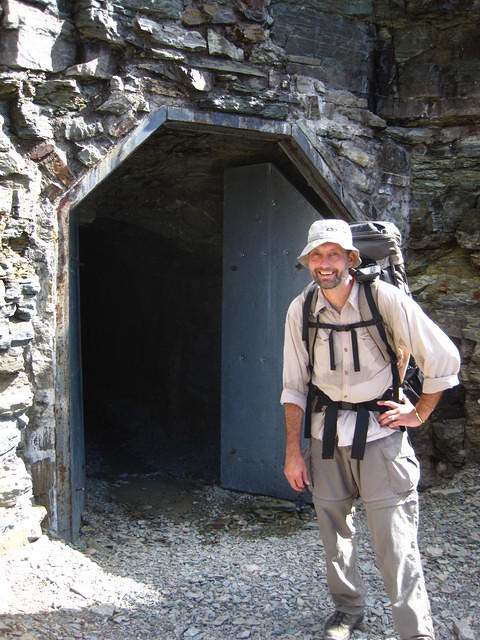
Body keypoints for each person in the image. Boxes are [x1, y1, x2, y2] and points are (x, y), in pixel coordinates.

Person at [281, 219, 461, 640]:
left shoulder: (384, 299)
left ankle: (415, 632)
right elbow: (293, 386)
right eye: (317, 256)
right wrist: (294, 451)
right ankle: (347, 613)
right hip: (326, 438)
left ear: (350, 258)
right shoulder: (301, 309)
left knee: (396, 544)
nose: (324, 264)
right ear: (307, 261)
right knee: (334, 536)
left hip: (381, 435)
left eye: (333, 254)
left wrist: (417, 413)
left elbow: (444, 360)